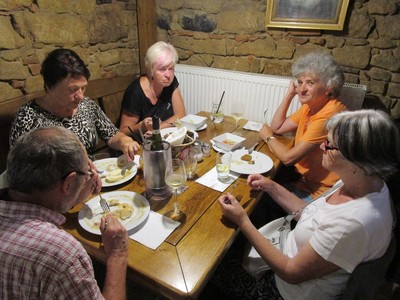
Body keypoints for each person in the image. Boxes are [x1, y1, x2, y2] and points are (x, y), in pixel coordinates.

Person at [210, 109, 399, 300]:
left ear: (356, 161)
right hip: (285, 248)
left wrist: (243, 221)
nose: (322, 147)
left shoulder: (353, 222)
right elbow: (309, 213)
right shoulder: (366, 183)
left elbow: (290, 272)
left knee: (212, 267)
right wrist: (271, 186)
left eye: (330, 145)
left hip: (283, 291)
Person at [0, 126, 128, 299]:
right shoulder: (63, 253)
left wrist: (76, 192)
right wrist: (117, 255)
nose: (91, 175)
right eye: (87, 172)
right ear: (68, 182)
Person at [9, 48, 139, 161]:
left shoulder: (86, 105)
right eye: (72, 90)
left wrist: (124, 141)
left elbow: (111, 135)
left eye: (83, 88)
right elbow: (21, 172)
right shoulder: (28, 118)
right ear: (50, 86)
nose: (81, 96)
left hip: (94, 176)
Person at [260, 52, 346, 201]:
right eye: (299, 82)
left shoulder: (330, 114)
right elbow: (277, 127)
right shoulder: (311, 104)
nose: (302, 89)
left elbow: (288, 159)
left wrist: (267, 137)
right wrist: (289, 95)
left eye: (310, 83)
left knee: (259, 195)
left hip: (320, 193)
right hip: (302, 180)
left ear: (329, 87)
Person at [119, 41, 186, 138]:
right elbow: (123, 131)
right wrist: (142, 126)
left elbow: (181, 114)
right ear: (151, 70)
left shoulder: (171, 82)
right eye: (162, 69)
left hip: (161, 138)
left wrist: (158, 128)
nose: (168, 75)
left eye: (171, 68)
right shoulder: (135, 92)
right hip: (139, 144)